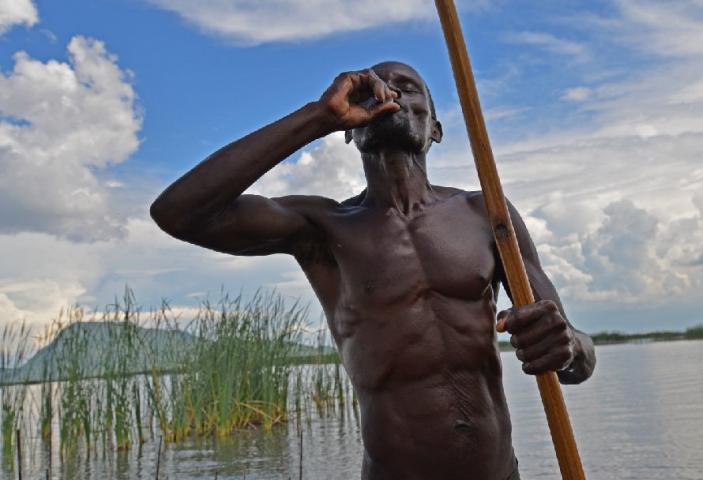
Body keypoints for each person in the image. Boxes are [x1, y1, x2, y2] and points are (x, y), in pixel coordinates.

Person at [150, 61, 595, 480]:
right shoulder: (321, 228)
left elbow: (577, 361)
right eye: (373, 86)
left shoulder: (486, 213)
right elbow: (178, 214)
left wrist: (567, 346)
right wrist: (317, 118)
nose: (390, 89)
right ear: (349, 129)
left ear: (435, 129)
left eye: (409, 86)